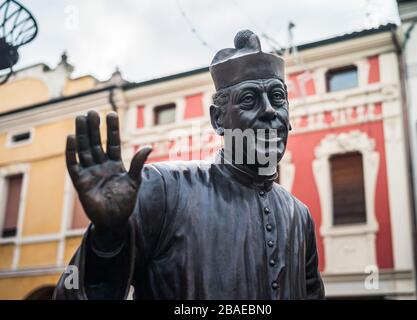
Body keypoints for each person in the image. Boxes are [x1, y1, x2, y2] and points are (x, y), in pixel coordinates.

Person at [53, 30, 325, 300]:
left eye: (278, 98)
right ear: (218, 119)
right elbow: (71, 294)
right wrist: (107, 241)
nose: (270, 111)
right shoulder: (164, 190)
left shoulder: (299, 216)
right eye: (249, 99)